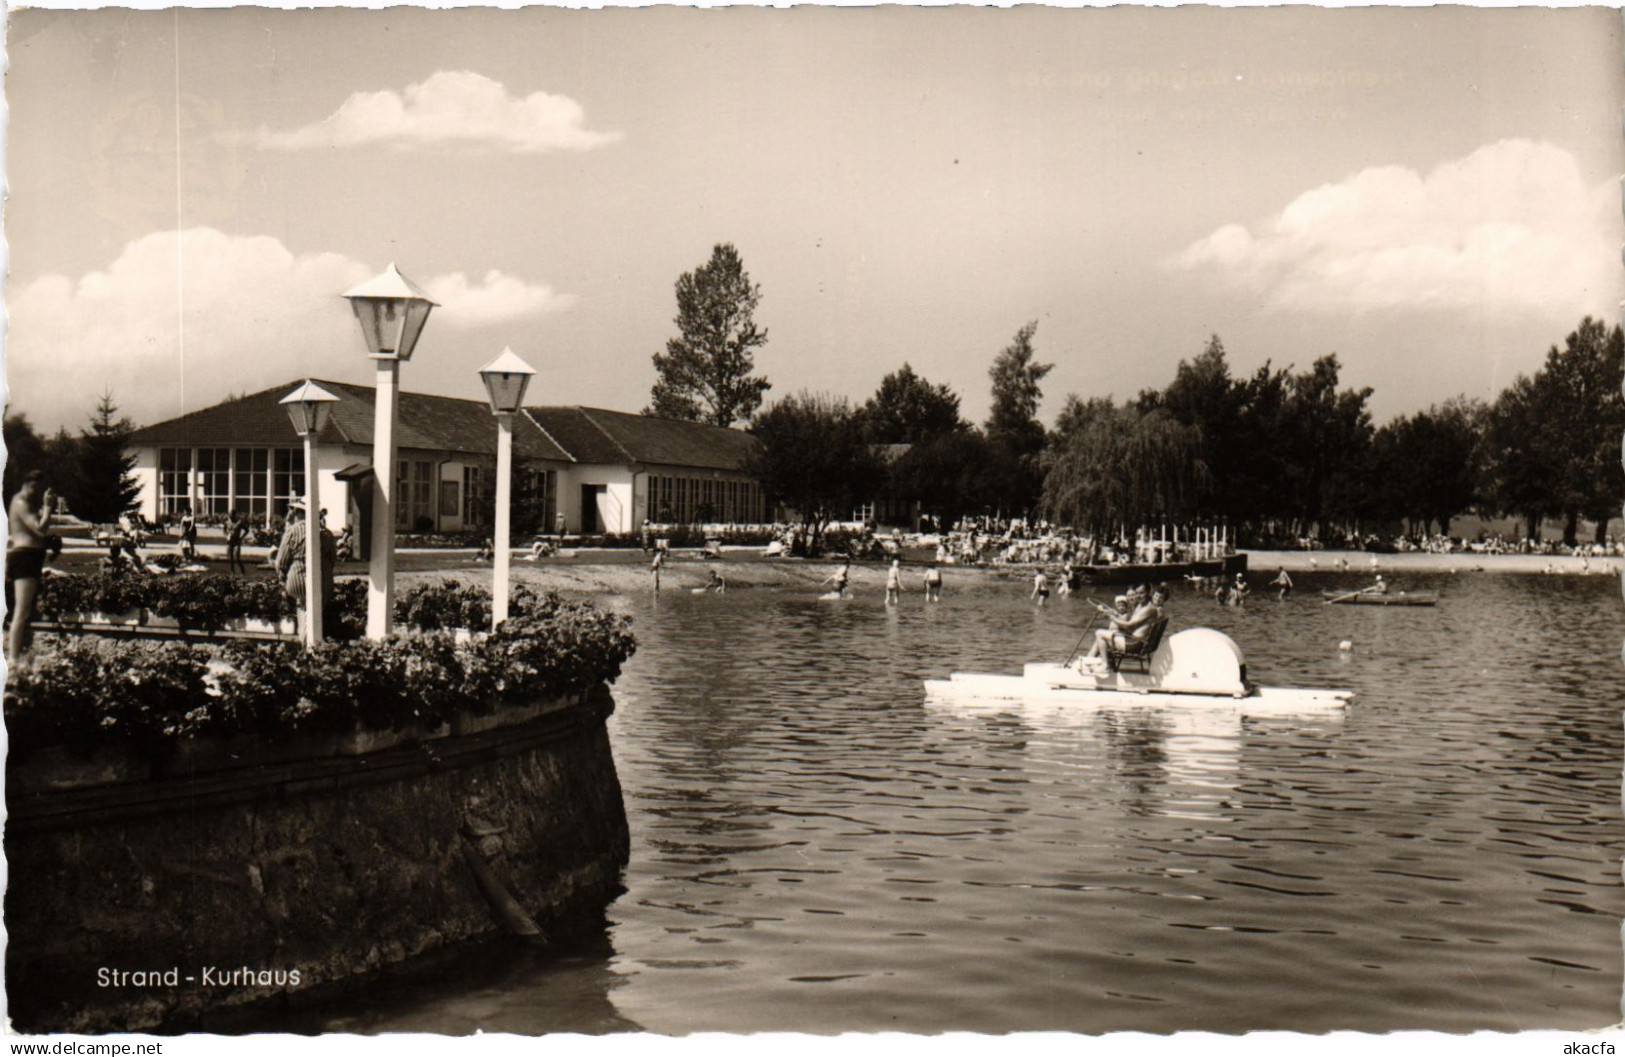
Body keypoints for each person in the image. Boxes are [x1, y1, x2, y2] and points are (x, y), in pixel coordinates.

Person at [7, 472, 56, 663]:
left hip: (31, 557)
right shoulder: (20, 502)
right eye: (37, 488)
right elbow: (39, 528)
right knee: (21, 610)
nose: (38, 492)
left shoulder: (26, 502)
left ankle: (19, 654)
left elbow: (38, 533)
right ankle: (12, 659)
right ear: (30, 484)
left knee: (26, 611)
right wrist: (48, 508)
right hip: (24, 558)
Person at [276, 500, 337, 638]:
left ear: (300, 513)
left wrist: (282, 578)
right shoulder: (327, 533)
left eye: (295, 511)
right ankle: (311, 640)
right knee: (313, 610)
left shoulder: (293, 531)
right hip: (323, 581)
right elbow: (332, 559)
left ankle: (306, 642)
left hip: (298, 579)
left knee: (303, 606)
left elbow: (281, 561)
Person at [1081, 584, 1161, 670]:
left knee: (1099, 633)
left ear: (1149, 592)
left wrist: (1111, 617)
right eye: (1137, 593)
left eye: (1141, 593)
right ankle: (1087, 663)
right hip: (1134, 640)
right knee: (1101, 639)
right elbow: (1130, 625)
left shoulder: (1148, 609)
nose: (1138, 596)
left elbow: (1128, 624)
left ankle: (1104, 664)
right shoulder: (1143, 606)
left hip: (1134, 644)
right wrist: (1114, 614)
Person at [226, 510, 250, 574]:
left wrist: (241, 537)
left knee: (237, 558)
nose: (230, 516)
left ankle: (242, 571)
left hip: (236, 541)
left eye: (232, 515)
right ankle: (232, 572)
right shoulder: (227, 522)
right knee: (230, 558)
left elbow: (247, 530)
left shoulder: (239, 523)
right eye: (229, 515)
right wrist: (227, 535)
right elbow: (224, 529)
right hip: (229, 541)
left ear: (235, 515)